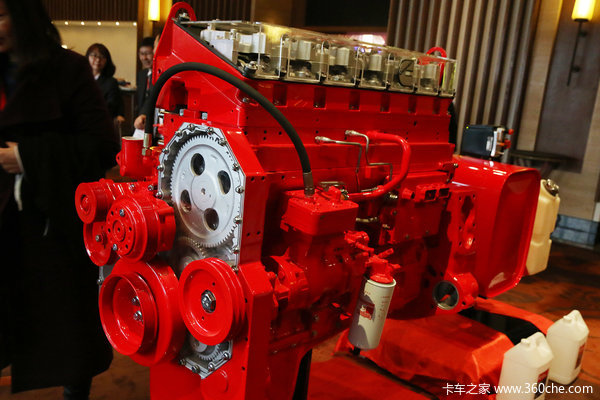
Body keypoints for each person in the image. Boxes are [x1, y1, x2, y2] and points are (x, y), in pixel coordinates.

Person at [0, 0, 118, 398]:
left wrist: (27, 157)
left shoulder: (68, 69)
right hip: (3, 221)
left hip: (54, 226)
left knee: (69, 336)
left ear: (25, 15)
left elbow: (102, 146)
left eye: (0, 15)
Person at [86, 43, 125, 131]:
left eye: (102, 57)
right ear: (87, 57)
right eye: (94, 55)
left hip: (100, 123)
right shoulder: (81, 79)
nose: (98, 60)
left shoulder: (111, 82)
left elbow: (111, 106)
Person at [135, 36, 154, 116]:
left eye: (148, 53)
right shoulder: (141, 75)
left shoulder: (161, 75)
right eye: (142, 54)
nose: (144, 58)